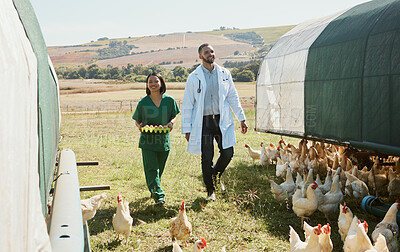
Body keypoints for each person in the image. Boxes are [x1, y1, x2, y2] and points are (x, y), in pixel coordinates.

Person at [181, 43, 248, 201]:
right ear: (200, 56)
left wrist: (242, 118)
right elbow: (187, 104)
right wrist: (187, 129)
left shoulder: (225, 73)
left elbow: (232, 96)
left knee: (228, 153)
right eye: (206, 52)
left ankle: (215, 175)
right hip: (203, 123)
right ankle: (210, 190)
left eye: (212, 51)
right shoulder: (193, 77)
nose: (210, 54)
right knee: (207, 157)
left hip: (221, 119)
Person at [132, 72, 180, 206]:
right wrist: (140, 126)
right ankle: (159, 196)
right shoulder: (143, 102)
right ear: (147, 85)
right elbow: (137, 120)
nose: (153, 84)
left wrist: (171, 123)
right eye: (150, 82)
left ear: (161, 83)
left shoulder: (169, 100)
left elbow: (174, 115)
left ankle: (153, 189)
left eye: (156, 81)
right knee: (152, 168)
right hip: (147, 140)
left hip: (163, 140)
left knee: (159, 169)